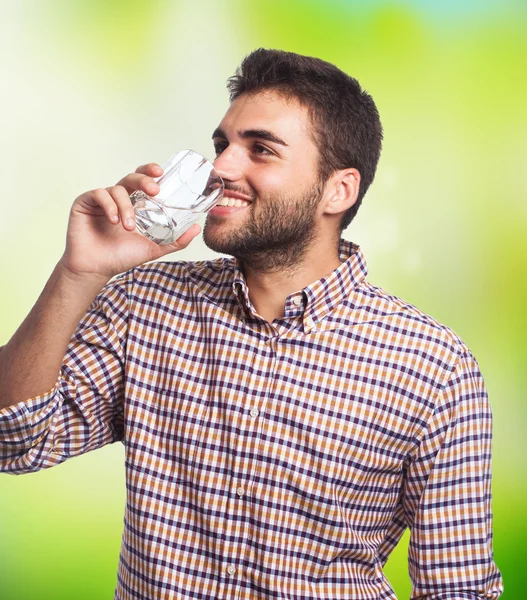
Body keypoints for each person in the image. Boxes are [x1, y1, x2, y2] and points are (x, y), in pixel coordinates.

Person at [0, 48, 503, 599]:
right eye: (223, 144)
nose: (221, 167)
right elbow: (14, 443)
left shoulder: (433, 368)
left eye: (260, 149)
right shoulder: (141, 306)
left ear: (339, 190)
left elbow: (457, 589)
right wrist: (78, 272)